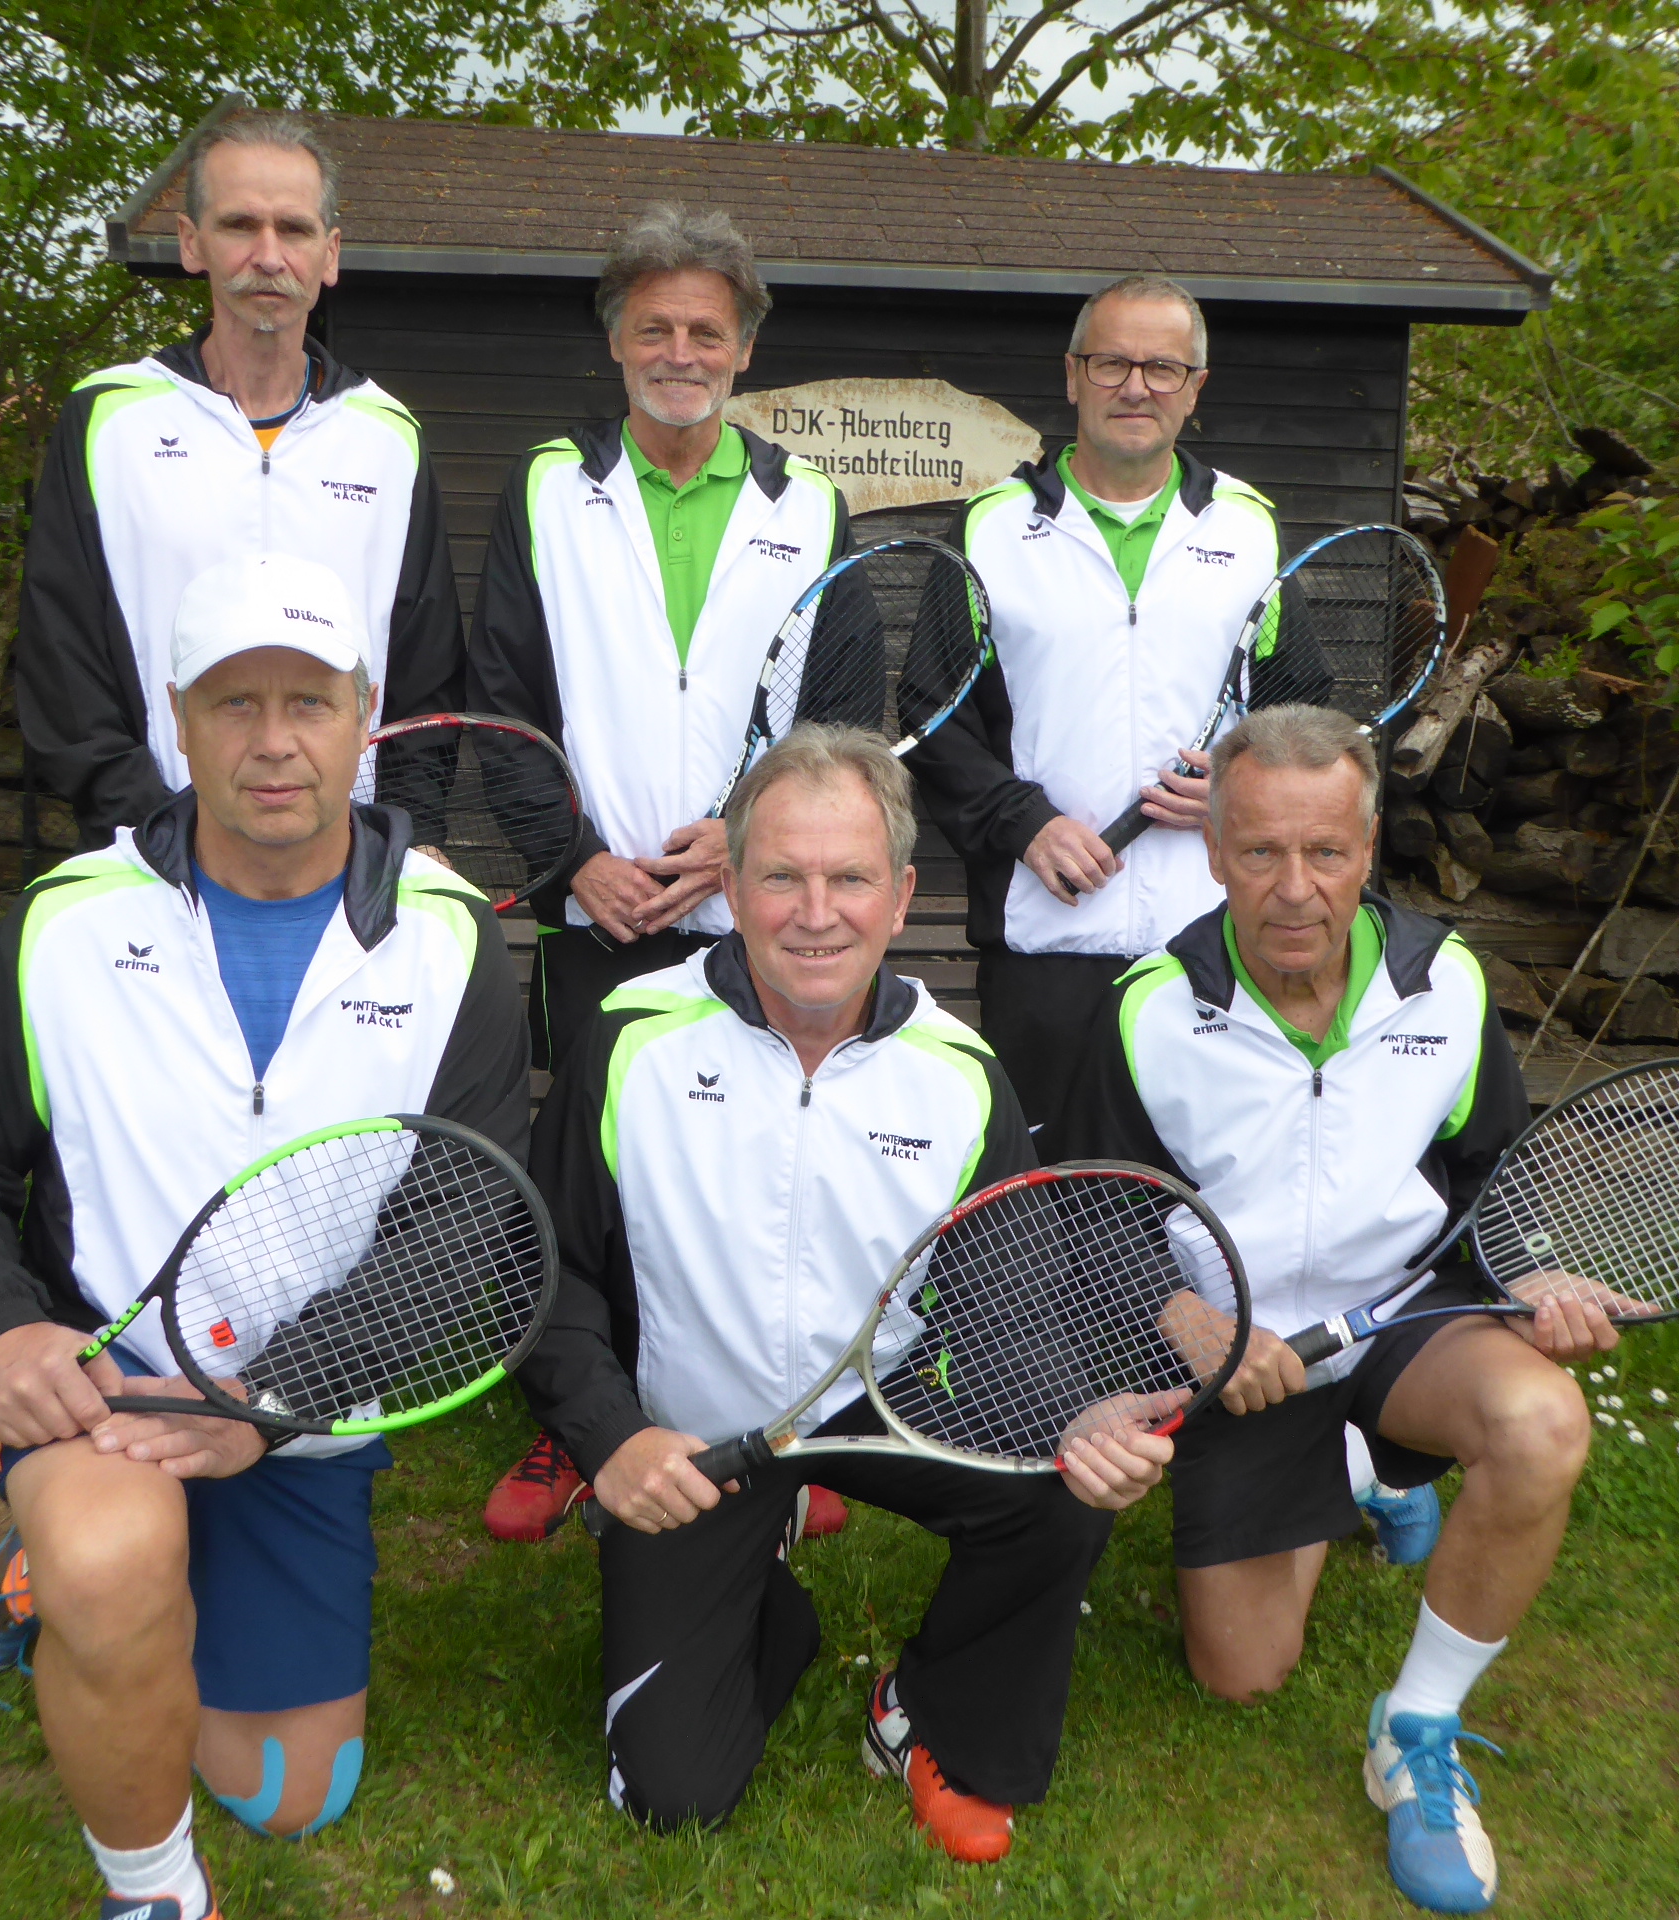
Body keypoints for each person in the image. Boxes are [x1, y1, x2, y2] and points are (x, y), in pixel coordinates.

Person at [0, 554, 528, 1920]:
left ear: (365, 715)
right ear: (176, 718)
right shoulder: (65, 924)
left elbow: (459, 1224)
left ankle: (78, 1598)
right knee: (115, 1569)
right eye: (235, 704)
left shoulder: (453, 941)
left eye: (309, 702)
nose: (274, 743)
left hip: (301, 1410)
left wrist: (271, 1402)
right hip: (107, 1397)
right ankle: (154, 1884)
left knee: (289, 1792)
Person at [517, 726, 1171, 1862]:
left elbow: (1011, 1305)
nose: (816, 914)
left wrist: (1076, 1415)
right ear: (730, 887)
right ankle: (762, 1586)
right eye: (782, 876)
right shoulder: (628, 1041)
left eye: (851, 879)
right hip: (697, 1432)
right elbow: (547, 1266)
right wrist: (611, 1438)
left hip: (879, 1400)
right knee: (672, 1795)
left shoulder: (961, 1076)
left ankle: (927, 1711)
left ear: (901, 894)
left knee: (1062, 1486)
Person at [1046, 705, 1616, 1915]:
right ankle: (1362, 1473)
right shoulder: (1147, 1008)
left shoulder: (1444, 983)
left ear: (1367, 851)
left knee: (1540, 1424)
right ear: (1212, 851)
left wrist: (1532, 1277)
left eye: (1325, 852)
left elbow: (1494, 1175)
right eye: (1260, 851)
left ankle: (1416, 1728)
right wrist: (1185, 1320)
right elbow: (1088, 1215)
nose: (1294, 888)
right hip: (1244, 1360)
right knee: (1240, 1675)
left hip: (1407, 1322)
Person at [466, 202, 855, 1540]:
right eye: (655, 329)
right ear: (616, 343)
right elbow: (502, 701)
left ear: (744, 350)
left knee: (745, 1173)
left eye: (705, 331)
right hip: (603, 909)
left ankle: (764, 1422)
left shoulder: (810, 505)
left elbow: (837, 714)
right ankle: (576, 1423)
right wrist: (574, 861)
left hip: (756, 910)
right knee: (588, 1178)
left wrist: (744, 838)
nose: (680, 352)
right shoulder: (546, 488)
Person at [905, 272, 1328, 1139]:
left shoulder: (1247, 528)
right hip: (1046, 942)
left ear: (1194, 389)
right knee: (1052, 1192)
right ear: (1073, 376)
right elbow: (931, 716)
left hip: (1217, 940)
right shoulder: (989, 528)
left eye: (1162, 368)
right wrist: (1023, 823)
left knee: (1204, 1191)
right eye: (1112, 364)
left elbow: (1303, 712)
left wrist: (1238, 786)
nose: (1136, 387)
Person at [17, 107, 463, 849]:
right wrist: (159, 829)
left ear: (329, 254)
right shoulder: (106, 419)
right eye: (239, 225)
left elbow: (426, 670)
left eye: (294, 229)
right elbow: (60, 657)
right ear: (191, 242)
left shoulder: (388, 437)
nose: (269, 254)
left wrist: (406, 833)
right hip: (150, 851)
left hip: (342, 860)